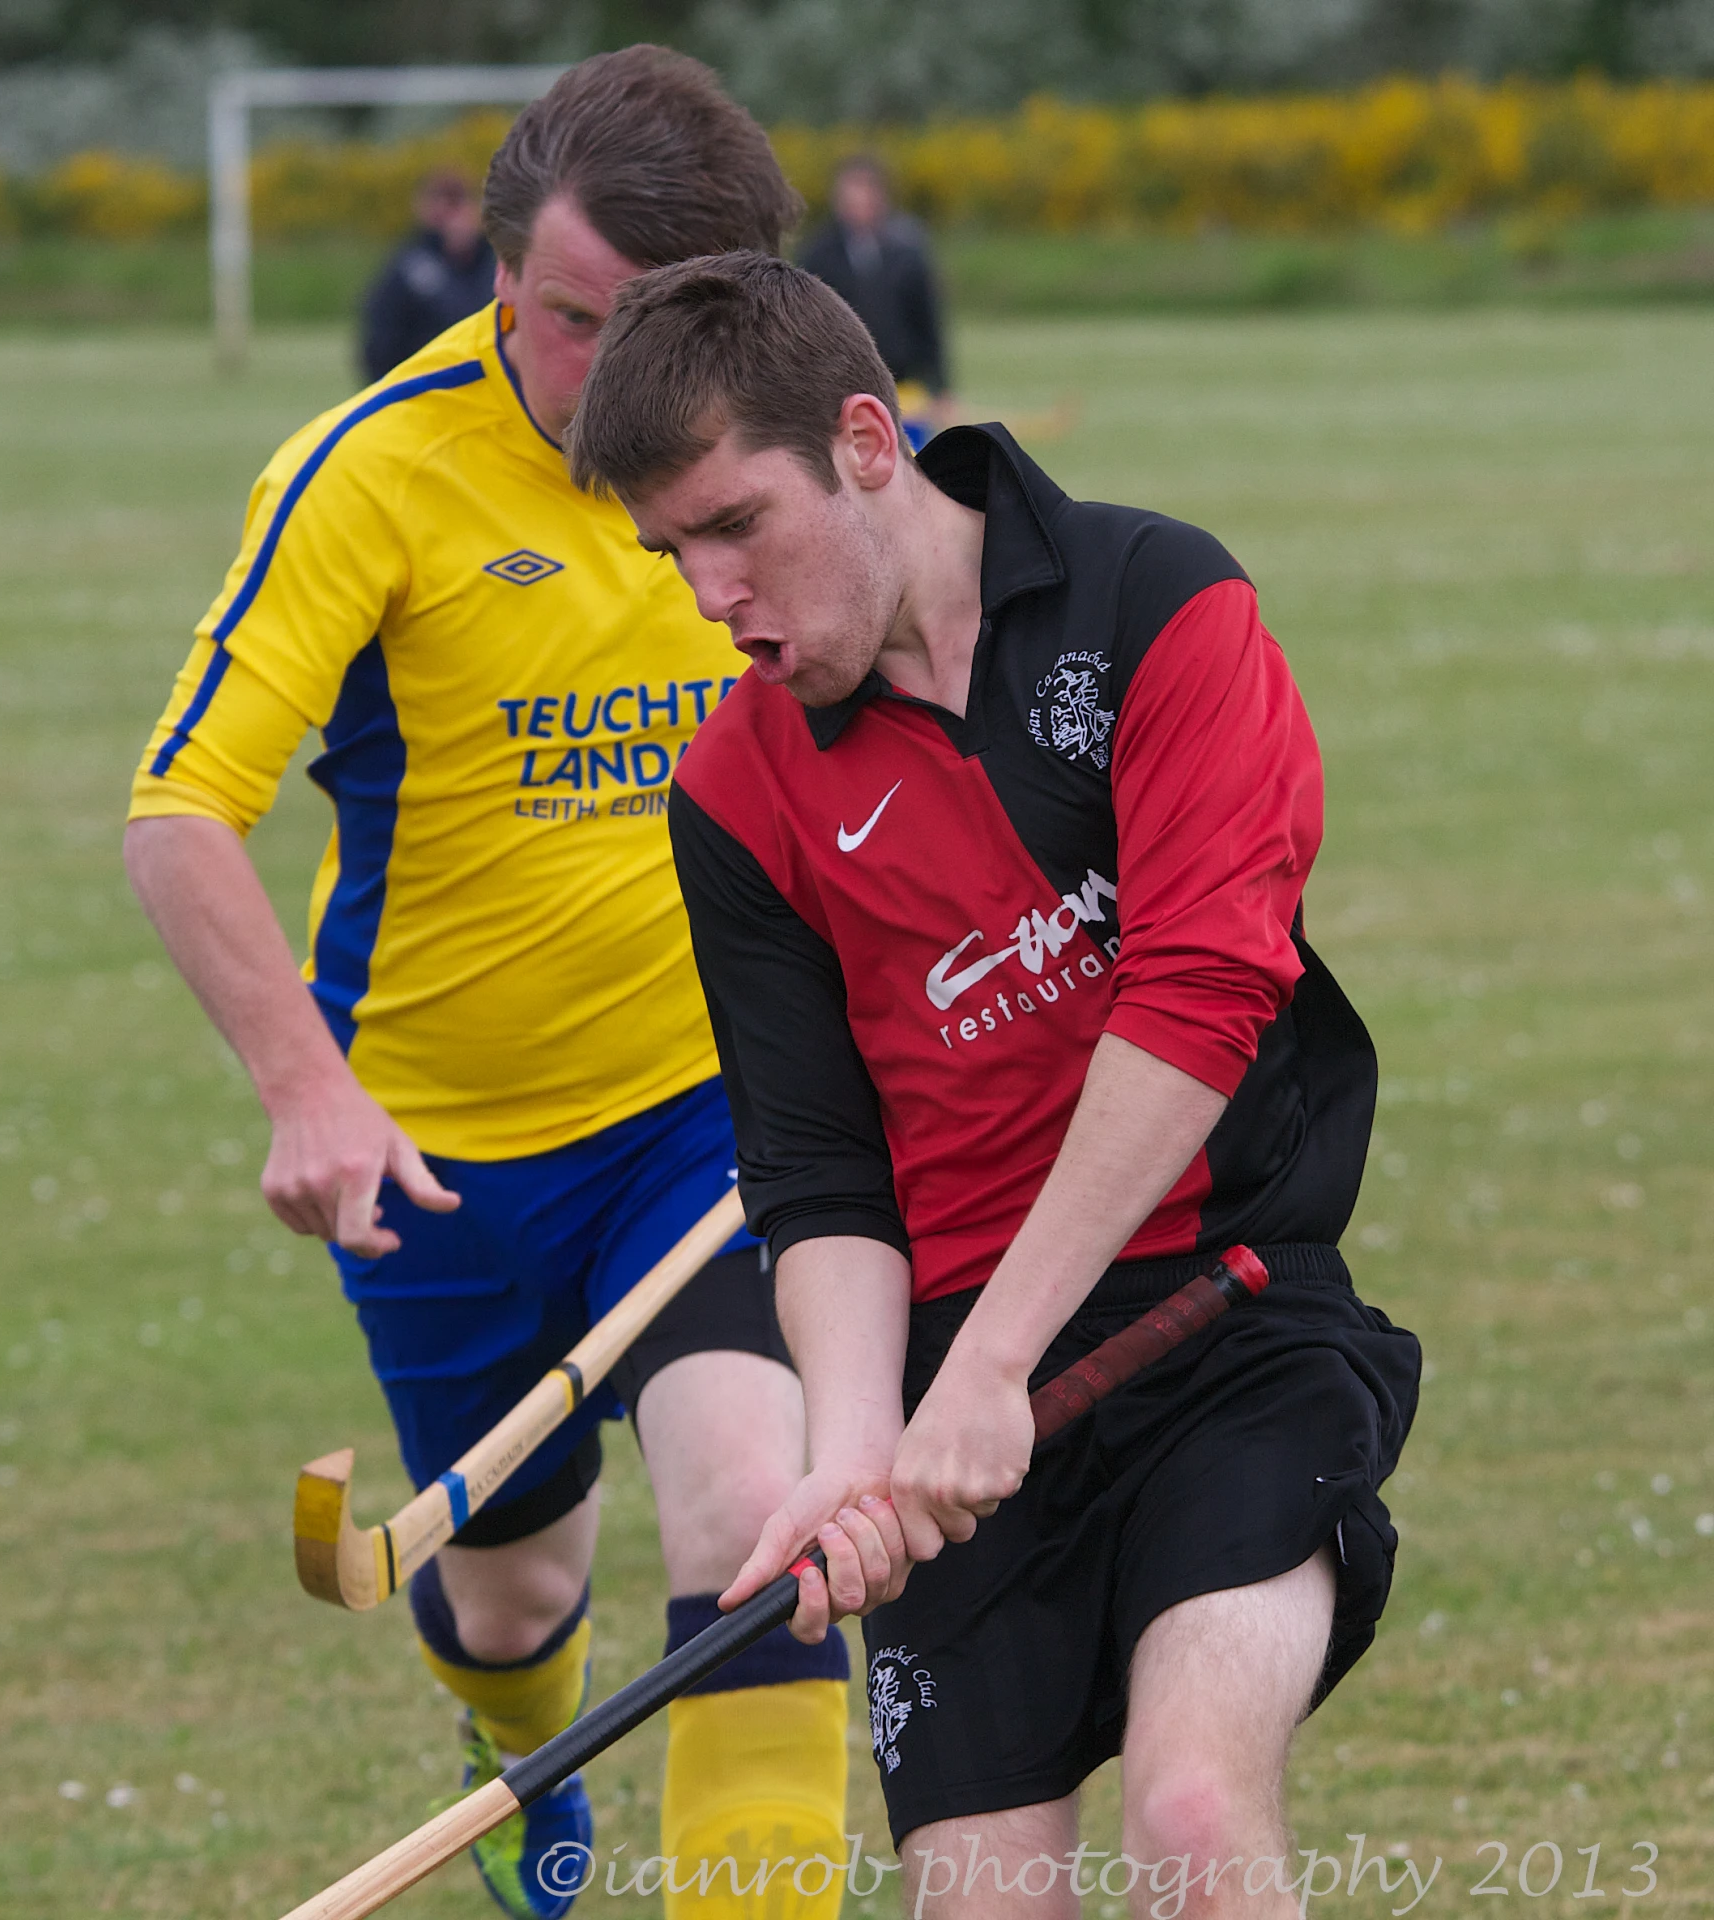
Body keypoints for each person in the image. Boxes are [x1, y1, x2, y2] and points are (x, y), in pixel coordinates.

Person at [568, 251, 1422, 1917]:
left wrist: (1000, 1365)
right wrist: (851, 1444)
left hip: (1224, 1319)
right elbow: (817, 1170)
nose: (709, 596)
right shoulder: (737, 788)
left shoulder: (1158, 603)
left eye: (735, 525)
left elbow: (1201, 993)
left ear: (870, 442)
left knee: (1190, 1812)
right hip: (953, 1386)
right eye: (671, 552)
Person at [125, 59, 852, 1920]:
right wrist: (308, 1089)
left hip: (714, 1114)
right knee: (516, 1586)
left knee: (757, 1516)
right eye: (561, 322)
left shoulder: (787, 452)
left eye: (647, 337)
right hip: (436, 1154)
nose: (593, 377)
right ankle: (501, 1725)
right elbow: (182, 813)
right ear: (499, 273)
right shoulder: (373, 474)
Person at [798, 156, 950, 448]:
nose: (858, 201)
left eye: (866, 190)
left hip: (905, 389)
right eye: (850, 192)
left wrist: (940, 386)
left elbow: (927, 322)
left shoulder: (908, 250)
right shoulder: (818, 255)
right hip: (842, 390)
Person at [358, 168, 497, 384]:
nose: (453, 218)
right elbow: (380, 344)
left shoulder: (495, 261)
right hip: (422, 387)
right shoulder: (407, 266)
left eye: (457, 204)